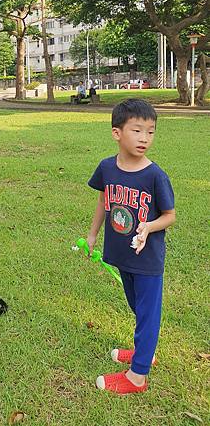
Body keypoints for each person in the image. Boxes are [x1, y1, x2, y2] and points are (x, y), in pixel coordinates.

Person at [86, 99, 175, 394]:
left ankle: (137, 376)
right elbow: (103, 200)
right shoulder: (107, 168)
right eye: (137, 131)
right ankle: (144, 353)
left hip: (146, 258)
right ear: (117, 133)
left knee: (148, 313)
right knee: (137, 308)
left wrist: (149, 226)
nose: (144, 139)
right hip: (122, 255)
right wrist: (92, 234)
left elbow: (169, 215)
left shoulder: (155, 175)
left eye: (150, 132)